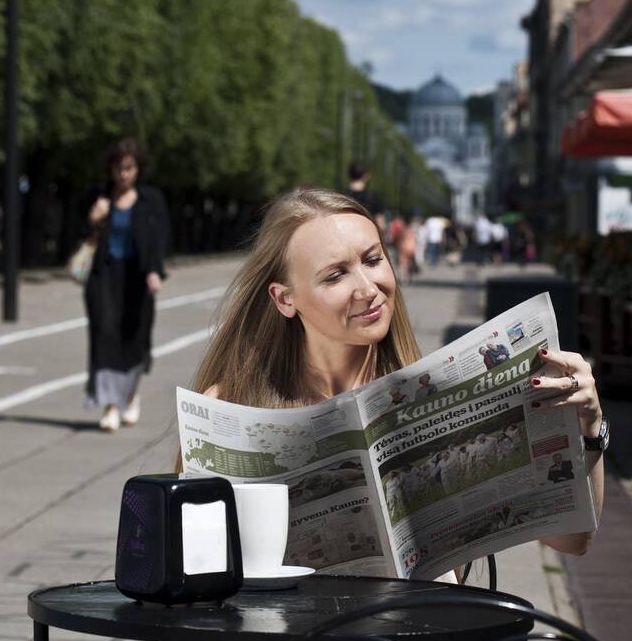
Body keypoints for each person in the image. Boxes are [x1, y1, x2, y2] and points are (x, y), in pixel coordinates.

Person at [183, 187, 605, 560]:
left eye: (373, 259)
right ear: (284, 299)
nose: (368, 288)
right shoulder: (230, 407)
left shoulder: (439, 392)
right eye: (335, 275)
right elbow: (194, 564)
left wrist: (590, 428)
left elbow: (573, 542)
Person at [82, 139, 169, 432]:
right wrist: (94, 220)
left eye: (129, 168)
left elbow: (159, 239)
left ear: (138, 169)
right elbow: (82, 238)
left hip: (138, 276)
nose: (123, 174)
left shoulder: (151, 200)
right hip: (103, 276)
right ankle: (109, 406)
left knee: (134, 337)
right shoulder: (98, 197)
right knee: (104, 335)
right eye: (118, 168)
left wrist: (155, 272)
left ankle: (130, 396)